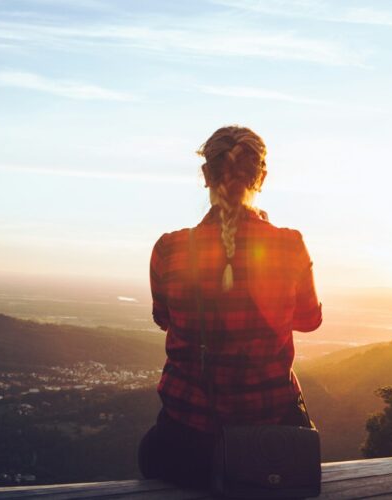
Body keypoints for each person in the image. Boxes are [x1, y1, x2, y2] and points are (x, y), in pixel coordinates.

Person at [138, 125, 323, 488]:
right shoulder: (289, 246)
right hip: (269, 441)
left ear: (206, 175)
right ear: (262, 178)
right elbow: (309, 320)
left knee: (149, 456)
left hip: (185, 441)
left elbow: (165, 319)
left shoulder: (169, 250)